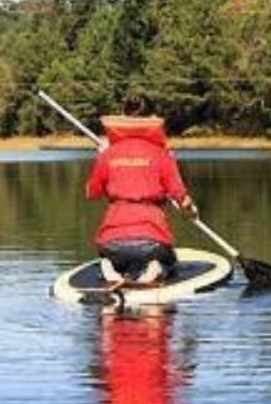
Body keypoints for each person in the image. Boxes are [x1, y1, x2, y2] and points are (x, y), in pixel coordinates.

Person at [84, 95, 197, 286]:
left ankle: (109, 267)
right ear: (152, 118)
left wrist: (102, 157)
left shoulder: (108, 154)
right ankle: (155, 267)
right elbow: (183, 201)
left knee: (117, 259)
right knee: (169, 261)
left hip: (112, 242)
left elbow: (92, 193)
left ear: (123, 116)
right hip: (152, 241)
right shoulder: (162, 155)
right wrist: (191, 212)